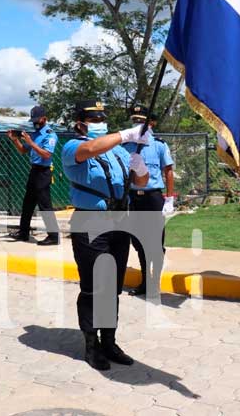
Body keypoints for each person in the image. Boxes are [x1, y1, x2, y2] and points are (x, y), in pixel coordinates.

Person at [61, 99, 151, 371]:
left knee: (112, 286)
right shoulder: (73, 146)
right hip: (91, 223)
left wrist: (140, 166)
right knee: (93, 287)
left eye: (102, 118)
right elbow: (90, 148)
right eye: (94, 119)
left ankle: (109, 341)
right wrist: (126, 135)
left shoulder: (120, 153)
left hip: (119, 222)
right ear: (80, 123)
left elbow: (141, 183)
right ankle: (91, 345)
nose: (100, 123)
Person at [123, 104, 175, 297]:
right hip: (133, 198)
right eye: (134, 121)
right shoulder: (125, 145)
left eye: (141, 121)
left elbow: (168, 171)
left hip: (153, 198)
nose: (137, 124)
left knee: (154, 243)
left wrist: (169, 198)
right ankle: (145, 281)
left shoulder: (159, 145)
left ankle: (154, 283)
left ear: (150, 123)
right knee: (137, 242)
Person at [7, 105, 60, 246]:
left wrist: (31, 142)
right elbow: (24, 150)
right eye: (34, 120)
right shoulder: (35, 134)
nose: (35, 122)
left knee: (45, 206)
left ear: (44, 118)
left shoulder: (50, 134)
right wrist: (15, 140)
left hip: (43, 172)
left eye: (38, 119)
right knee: (27, 204)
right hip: (34, 171)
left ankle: (54, 236)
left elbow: (47, 154)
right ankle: (23, 232)